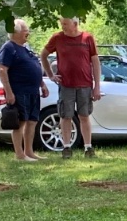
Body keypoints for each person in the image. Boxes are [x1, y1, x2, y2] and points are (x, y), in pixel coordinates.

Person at [40, 16, 102, 158]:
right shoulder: (57, 38)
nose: (63, 26)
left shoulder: (87, 38)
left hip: (85, 84)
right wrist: (51, 75)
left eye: (65, 24)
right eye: (62, 24)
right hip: (66, 85)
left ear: (75, 24)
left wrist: (97, 86)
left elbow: (95, 62)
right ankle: (66, 147)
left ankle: (88, 148)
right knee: (65, 115)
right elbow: (43, 55)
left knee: (84, 115)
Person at [0, 19, 47, 163]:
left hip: (33, 91)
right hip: (19, 91)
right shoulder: (8, 48)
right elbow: (2, 70)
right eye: (25, 30)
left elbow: (35, 67)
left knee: (32, 121)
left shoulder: (25, 48)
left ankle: (29, 152)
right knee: (20, 122)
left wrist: (42, 84)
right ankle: (19, 155)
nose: (28, 33)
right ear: (16, 32)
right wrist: (9, 92)